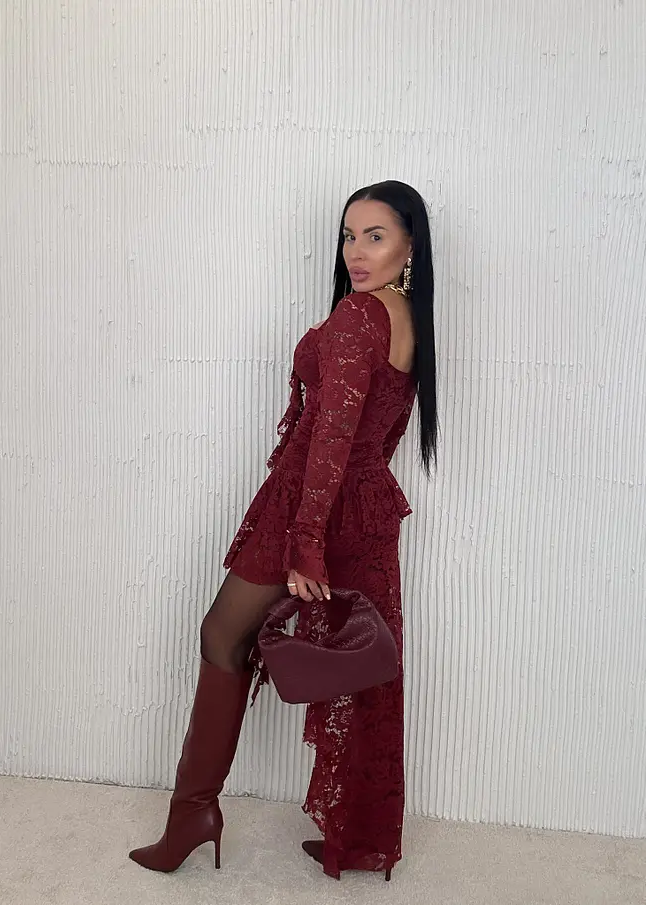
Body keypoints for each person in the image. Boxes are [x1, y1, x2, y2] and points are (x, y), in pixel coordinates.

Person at [128, 179, 438, 882]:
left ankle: (192, 814)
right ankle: (355, 837)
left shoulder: (359, 315)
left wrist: (305, 540)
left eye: (376, 236)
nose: (356, 251)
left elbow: (331, 435)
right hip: (365, 506)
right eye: (349, 235)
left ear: (410, 247)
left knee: (221, 633)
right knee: (360, 669)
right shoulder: (408, 319)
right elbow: (373, 431)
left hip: (313, 500)